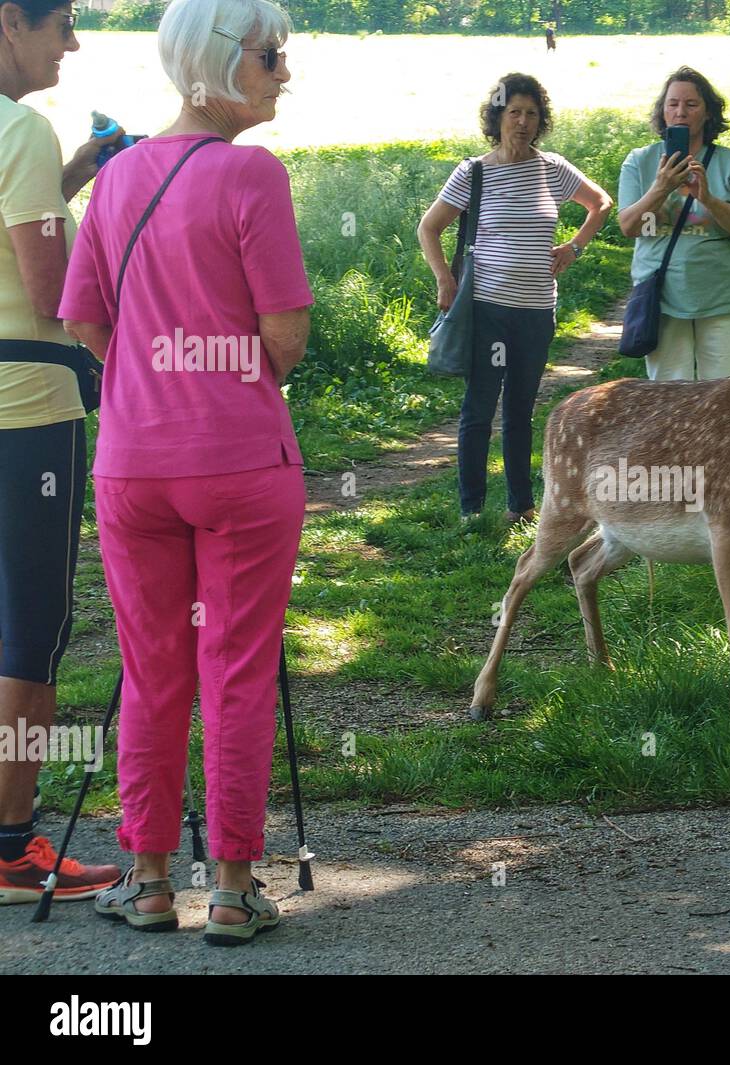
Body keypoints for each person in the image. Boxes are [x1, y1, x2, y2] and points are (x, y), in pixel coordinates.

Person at [58, 0, 311, 945]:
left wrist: (151, 374)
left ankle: (149, 877)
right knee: (235, 670)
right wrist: (229, 375)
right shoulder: (253, 176)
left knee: (152, 670)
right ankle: (238, 890)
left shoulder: (117, 180)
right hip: (241, 460)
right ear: (218, 63)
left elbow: (83, 319)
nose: (283, 71)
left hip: (132, 464)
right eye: (269, 56)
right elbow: (285, 334)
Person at [0, 0, 124, 903]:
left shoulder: (34, 145)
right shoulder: (21, 129)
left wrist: (78, 173)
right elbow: (50, 291)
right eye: (62, 23)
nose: (72, 43)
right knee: (31, 628)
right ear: (11, 20)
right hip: (29, 409)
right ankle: (11, 846)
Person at [418, 72, 612, 525]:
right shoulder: (475, 172)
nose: (523, 122)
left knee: (521, 409)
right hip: (486, 308)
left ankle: (520, 506)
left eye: (531, 114)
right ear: (497, 117)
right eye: (514, 113)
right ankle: (471, 510)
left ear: (540, 120)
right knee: (480, 407)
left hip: (537, 311)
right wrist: (445, 280)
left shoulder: (553, 168)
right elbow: (429, 227)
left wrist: (574, 246)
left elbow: (599, 203)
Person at [617, 66, 730, 382]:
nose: (680, 112)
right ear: (663, 111)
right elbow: (629, 227)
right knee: (669, 403)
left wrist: (708, 198)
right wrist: (661, 188)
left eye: (691, 104)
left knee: (724, 400)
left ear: (708, 113)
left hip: (721, 298)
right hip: (662, 298)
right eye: (672, 104)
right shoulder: (640, 161)